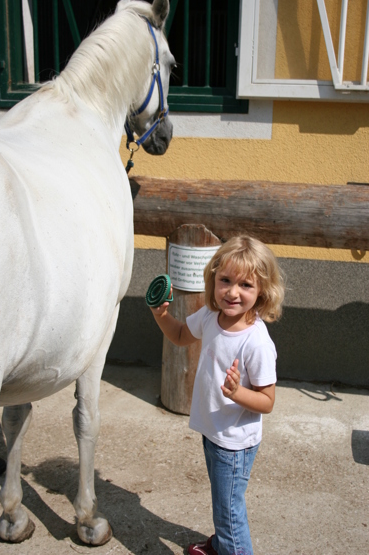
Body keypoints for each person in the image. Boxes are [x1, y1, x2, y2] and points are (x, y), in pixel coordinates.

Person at [149, 235, 284, 555]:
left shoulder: (257, 343)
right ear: (213, 279)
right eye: (225, 280)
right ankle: (222, 545)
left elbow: (267, 401)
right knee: (222, 500)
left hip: (235, 440)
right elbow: (182, 335)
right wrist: (161, 316)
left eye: (246, 285)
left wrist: (238, 393)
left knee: (230, 511)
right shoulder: (212, 316)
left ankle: (232, 546)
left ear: (263, 291)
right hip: (213, 430)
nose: (232, 292)